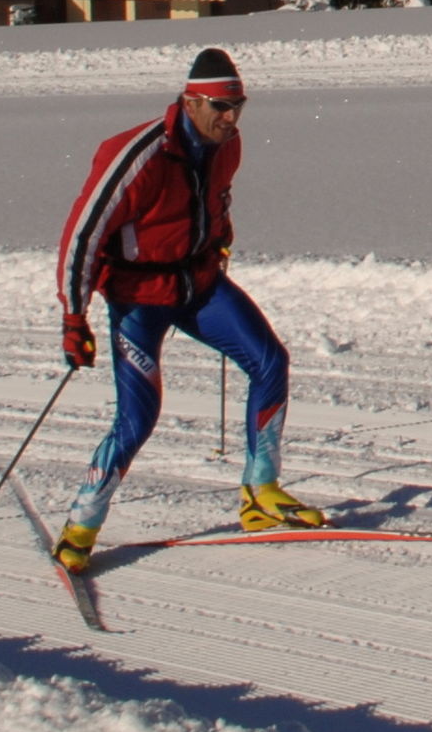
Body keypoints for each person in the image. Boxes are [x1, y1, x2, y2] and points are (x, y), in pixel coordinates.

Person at [50, 45, 328, 570]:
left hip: (196, 282)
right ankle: (81, 526)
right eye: (220, 107)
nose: (230, 118)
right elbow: (82, 236)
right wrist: (74, 316)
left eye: (237, 106)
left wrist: (219, 238)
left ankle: (260, 492)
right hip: (139, 298)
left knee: (271, 361)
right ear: (190, 101)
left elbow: (217, 199)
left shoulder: (228, 146)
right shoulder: (137, 156)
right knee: (138, 417)